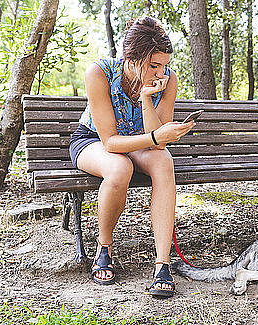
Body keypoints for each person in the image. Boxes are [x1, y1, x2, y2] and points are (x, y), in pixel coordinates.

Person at [69, 16, 193, 298]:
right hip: (94, 141)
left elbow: (158, 143)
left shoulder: (167, 79)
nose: (161, 72)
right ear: (132, 58)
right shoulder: (99, 73)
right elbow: (110, 142)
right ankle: (104, 246)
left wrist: (147, 98)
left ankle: (163, 263)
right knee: (119, 167)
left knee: (164, 163)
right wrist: (154, 138)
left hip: (140, 142)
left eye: (164, 65)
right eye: (154, 65)